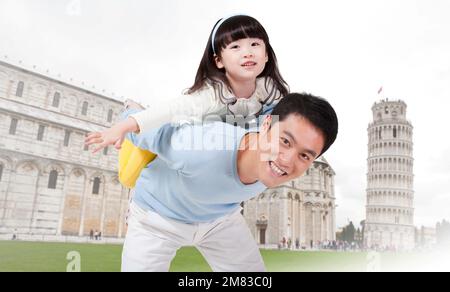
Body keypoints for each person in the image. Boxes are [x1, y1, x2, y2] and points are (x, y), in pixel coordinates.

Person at [86, 93, 338, 272]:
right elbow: (152, 133)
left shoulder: (276, 169)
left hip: (219, 219)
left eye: (305, 155)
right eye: (285, 141)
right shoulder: (201, 146)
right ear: (267, 126)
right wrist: (129, 115)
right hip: (156, 217)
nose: (287, 160)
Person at [85, 15, 289, 188]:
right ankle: (132, 111)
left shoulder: (270, 90)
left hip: (220, 145)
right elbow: (172, 109)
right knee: (130, 176)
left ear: (266, 55)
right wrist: (122, 127)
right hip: (181, 131)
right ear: (218, 61)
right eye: (236, 46)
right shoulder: (211, 95)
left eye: (255, 44)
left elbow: (286, 121)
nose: (248, 52)